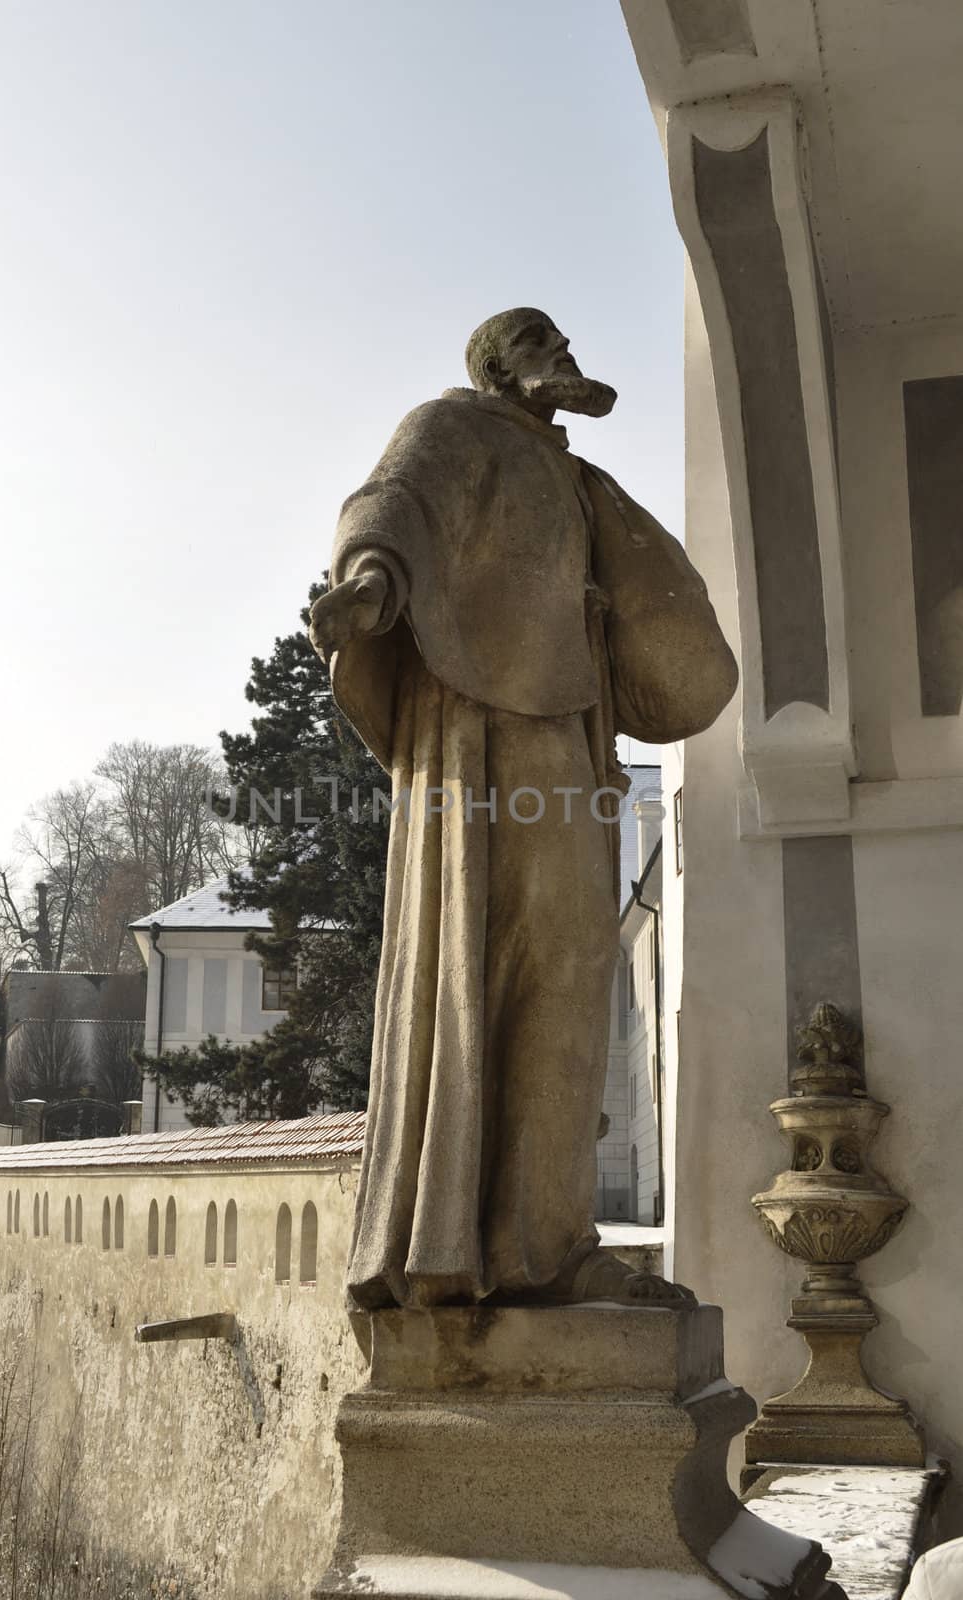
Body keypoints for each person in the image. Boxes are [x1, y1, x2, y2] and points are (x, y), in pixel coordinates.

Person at [310, 308, 737, 1312]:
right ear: (502, 364)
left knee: (572, 968)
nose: (564, 357)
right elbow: (388, 510)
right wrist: (366, 591)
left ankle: (547, 1242)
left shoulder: (581, 483)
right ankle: (459, 1241)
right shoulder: (448, 429)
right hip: (475, 734)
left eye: (564, 343)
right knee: (476, 962)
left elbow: (657, 622)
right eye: (542, 343)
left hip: (568, 740)